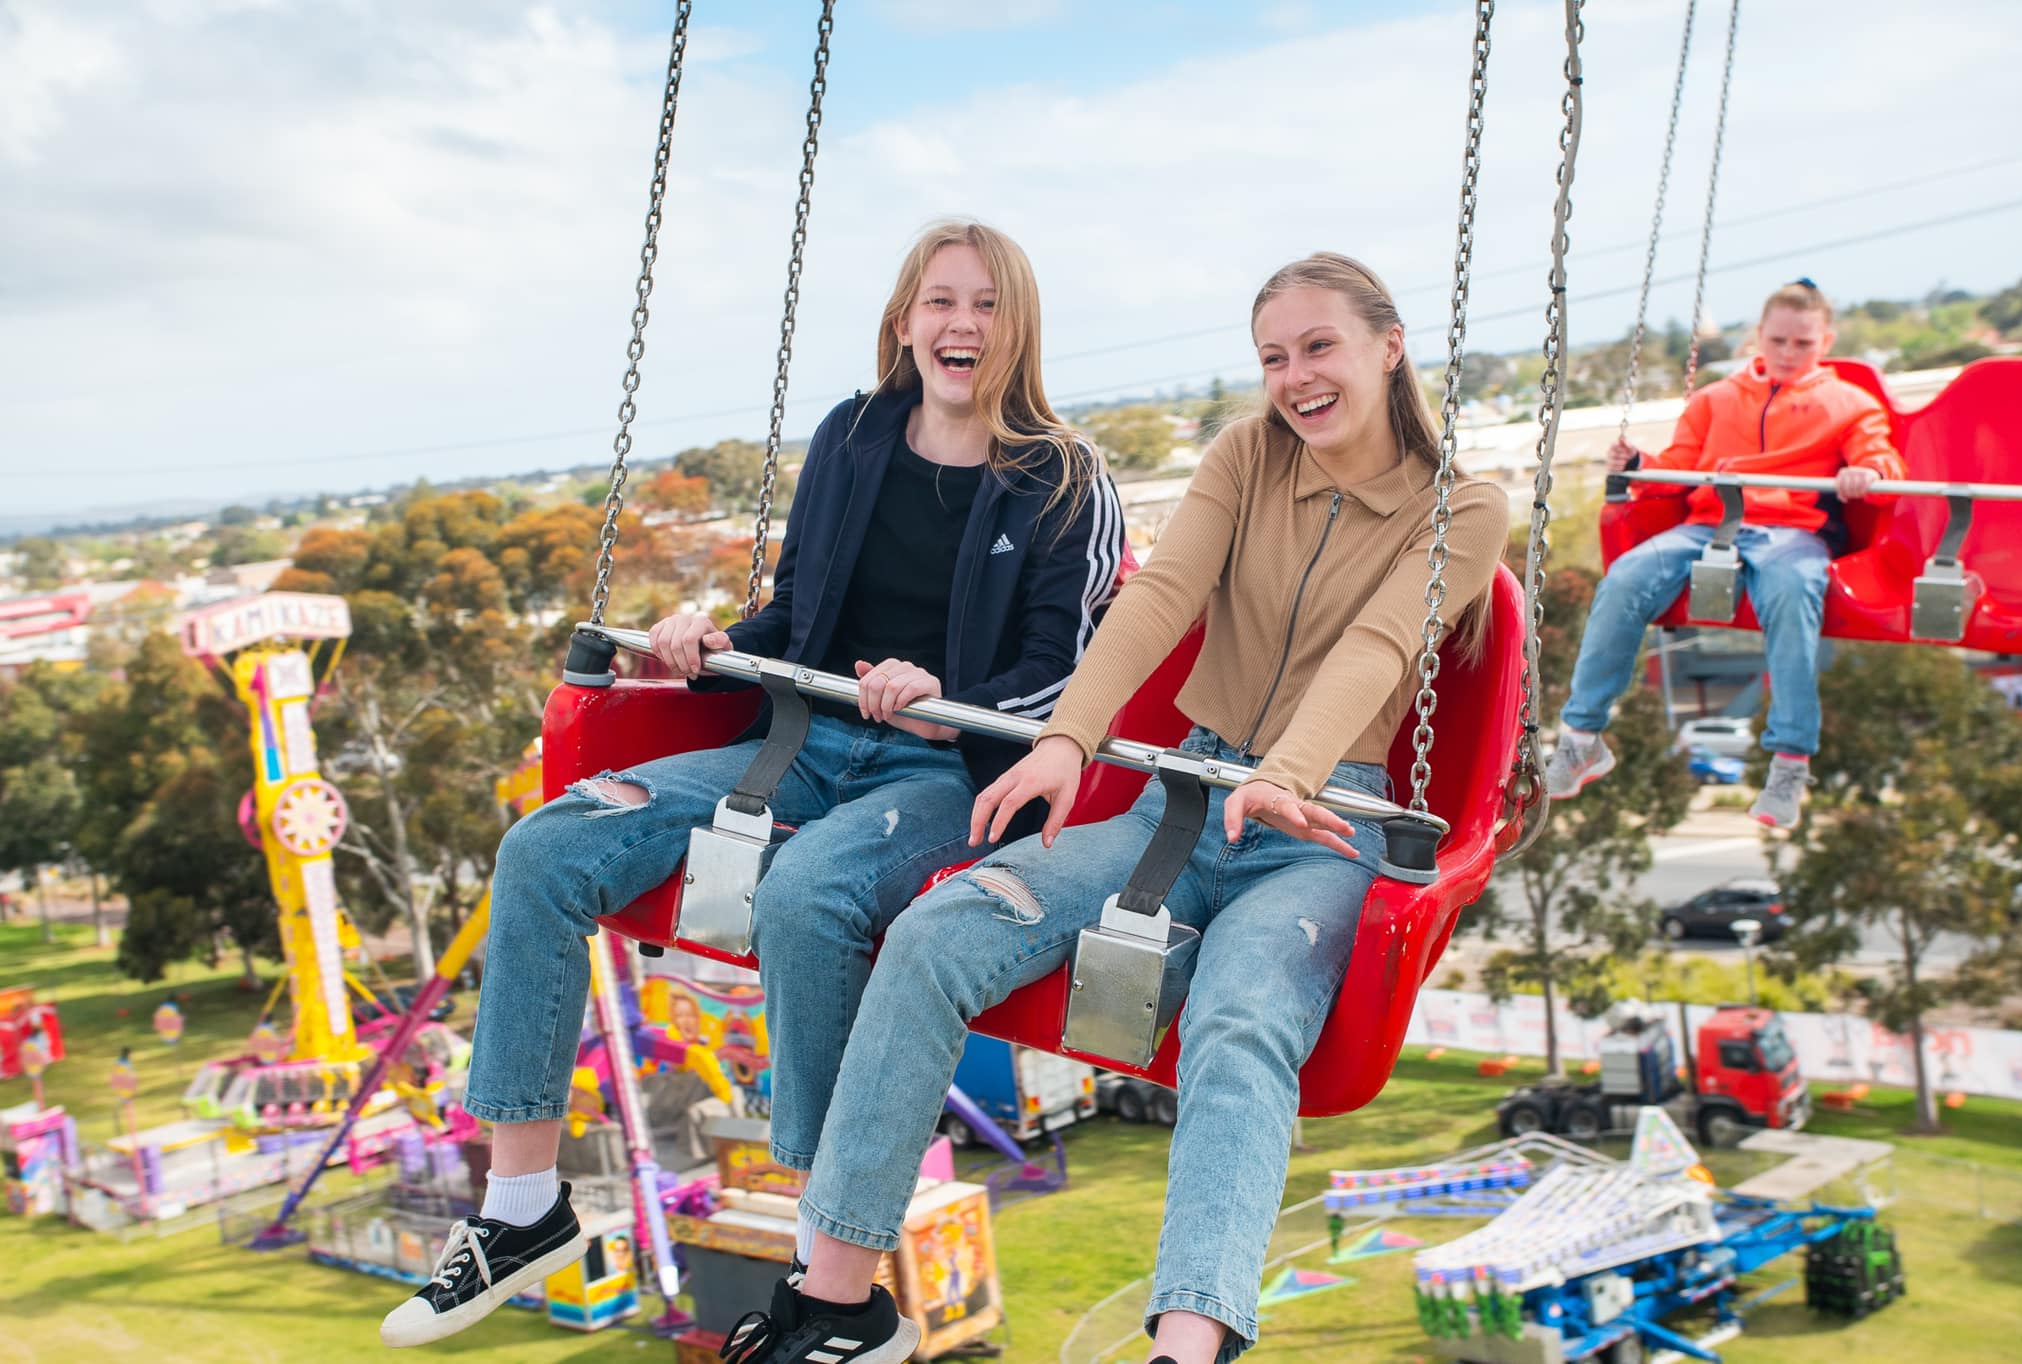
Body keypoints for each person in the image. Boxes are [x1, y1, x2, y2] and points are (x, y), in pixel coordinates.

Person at [715, 253, 1508, 1364]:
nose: (1294, 377)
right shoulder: (1245, 455)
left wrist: (1288, 770)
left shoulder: (1464, 506)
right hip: (1177, 797)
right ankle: (841, 1299)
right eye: (1273, 357)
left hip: (1322, 822)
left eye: (1317, 346)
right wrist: (1062, 742)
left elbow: (1378, 644)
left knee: (1239, 1021)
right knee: (939, 930)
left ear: (1389, 345)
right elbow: (1158, 599)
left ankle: (1187, 1345)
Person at [379, 220, 1124, 1348]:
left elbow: (1061, 679)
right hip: (802, 739)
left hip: (946, 767)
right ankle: (521, 1205)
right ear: (903, 320)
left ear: (1017, 327)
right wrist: (706, 639)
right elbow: (795, 618)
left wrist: (939, 686)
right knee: (544, 848)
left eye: (984, 305)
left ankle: (830, 1286)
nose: (959, 324)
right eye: (938, 302)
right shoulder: (852, 436)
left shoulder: (1063, 477)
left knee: (808, 893)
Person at [1545, 279, 1903, 828]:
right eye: (1778, 339)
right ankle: (1582, 738)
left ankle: (1789, 763)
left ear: (1825, 341)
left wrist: (1869, 472)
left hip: (1790, 529)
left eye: (1802, 344)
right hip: (1708, 523)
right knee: (1623, 579)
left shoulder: (1850, 405)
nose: (1787, 354)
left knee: (1791, 592)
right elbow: (1679, 466)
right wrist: (1641, 461)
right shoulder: (1715, 398)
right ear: (1758, 335)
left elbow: (1879, 455)